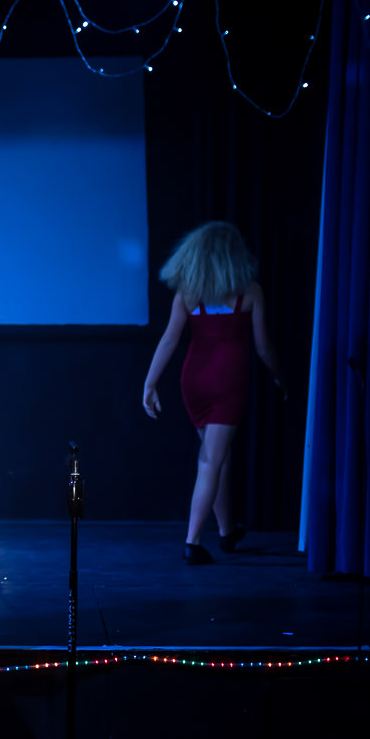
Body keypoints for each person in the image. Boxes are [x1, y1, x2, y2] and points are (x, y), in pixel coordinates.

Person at [142, 222, 285, 564]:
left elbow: (170, 340)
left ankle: (226, 531)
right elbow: (263, 347)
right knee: (211, 459)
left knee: (218, 455)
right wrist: (281, 377)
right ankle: (192, 542)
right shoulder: (250, 292)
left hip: (194, 380)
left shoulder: (188, 294)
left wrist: (149, 383)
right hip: (227, 382)